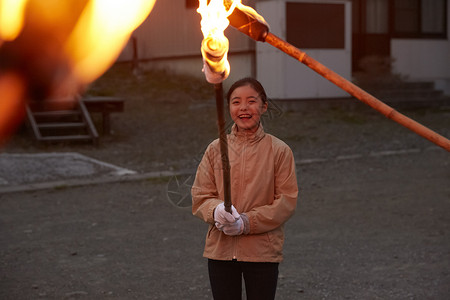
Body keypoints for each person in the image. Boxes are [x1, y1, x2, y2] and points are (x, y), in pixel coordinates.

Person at [191, 77, 298, 300]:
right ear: (229, 107)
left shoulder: (279, 150)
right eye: (236, 102)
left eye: (251, 101)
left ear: (264, 106)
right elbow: (200, 196)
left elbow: (286, 202)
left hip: (262, 251)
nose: (244, 108)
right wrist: (216, 210)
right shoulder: (215, 149)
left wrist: (246, 223)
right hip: (220, 249)